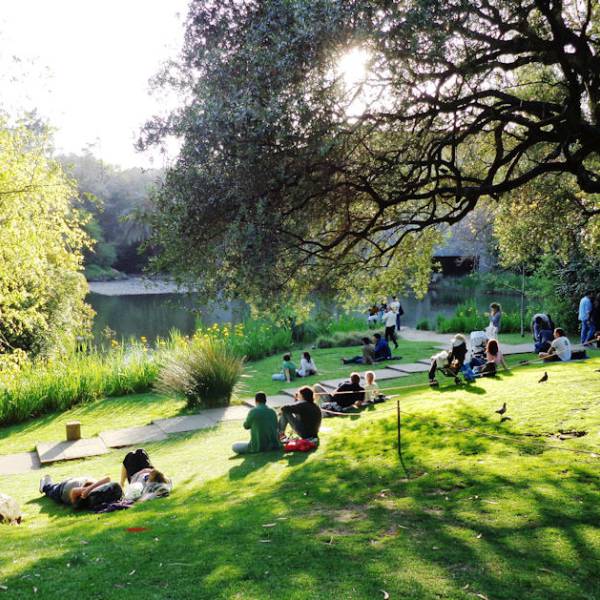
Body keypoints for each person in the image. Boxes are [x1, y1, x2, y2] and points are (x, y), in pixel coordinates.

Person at [39, 474, 118, 509]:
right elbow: (108, 479)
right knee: (54, 486)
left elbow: (74, 491)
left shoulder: (86, 496)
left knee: (50, 489)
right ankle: (49, 484)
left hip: (60, 491)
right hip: (69, 482)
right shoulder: (98, 489)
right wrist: (91, 488)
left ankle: (45, 486)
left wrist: (87, 490)